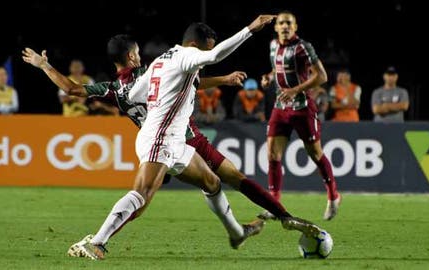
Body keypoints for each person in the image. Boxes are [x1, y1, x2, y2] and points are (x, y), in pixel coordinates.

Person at [23, 20, 324, 260]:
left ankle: (238, 232)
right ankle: (97, 242)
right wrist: (249, 31)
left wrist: (44, 66)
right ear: (131, 56)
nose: (140, 54)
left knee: (214, 182)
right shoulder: (161, 64)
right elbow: (197, 70)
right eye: (137, 51)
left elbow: (75, 89)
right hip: (163, 136)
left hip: (175, 139)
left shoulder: (121, 85)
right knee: (141, 198)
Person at [260, 11, 341, 221]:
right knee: (272, 154)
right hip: (280, 106)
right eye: (281, 23)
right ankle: (274, 203)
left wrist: (295, 90)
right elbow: (277, 69)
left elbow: (321, 76)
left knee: (315, 154)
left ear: (295, 27)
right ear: (276, 27)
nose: (285, 26)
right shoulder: (272, 45)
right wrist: (269, 78)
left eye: (289, 23)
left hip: (302, 107)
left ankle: (333, 195)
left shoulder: (303, 47)